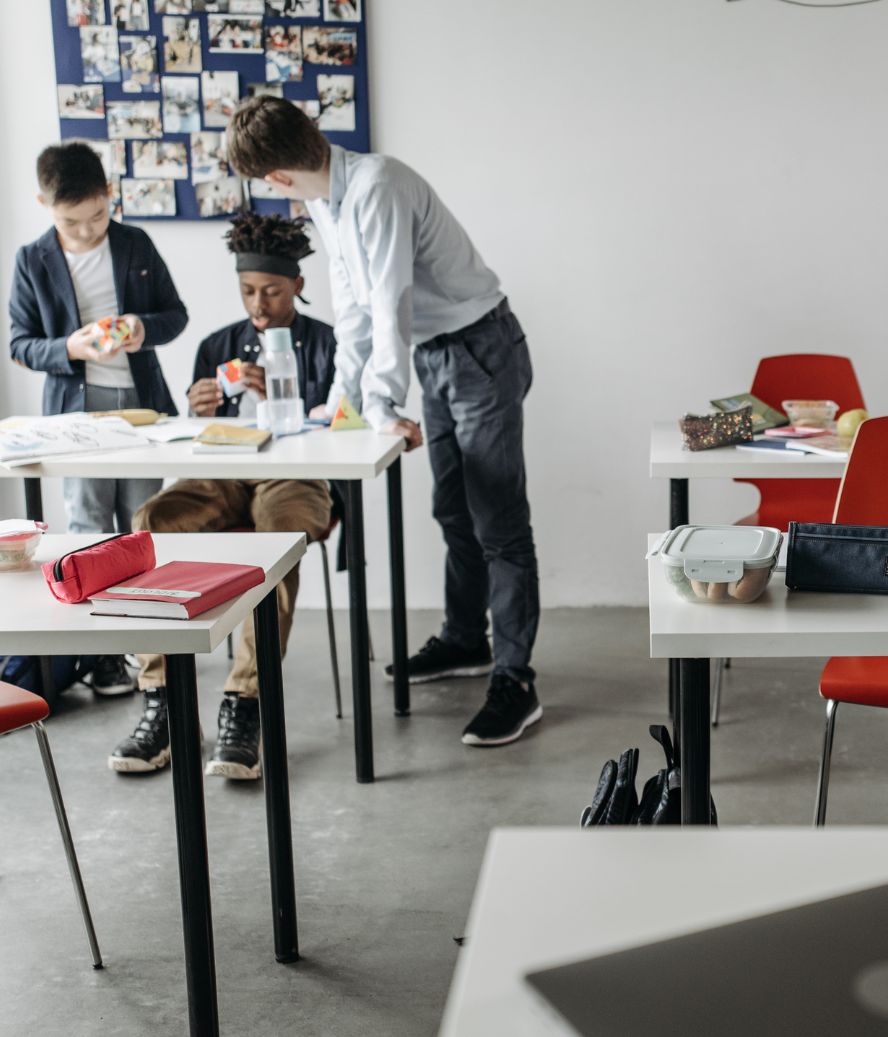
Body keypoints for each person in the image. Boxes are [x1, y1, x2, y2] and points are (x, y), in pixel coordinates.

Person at [224, 96, 542, 748]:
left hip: (479, 347)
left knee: (498, 522)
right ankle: (464, 640)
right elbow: (354, 311)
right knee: (453, 509)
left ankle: (517, 680)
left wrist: (380, 403)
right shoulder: (325, 199)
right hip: (435, 353)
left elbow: (389, 298)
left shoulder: (378, 186)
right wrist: (342, 402)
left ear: (275, 178)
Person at [109, 213, 337, 778]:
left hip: (297, 474)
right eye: (248, 291)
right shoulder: (217, 344)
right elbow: (191, 439)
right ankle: (161, 698)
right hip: (223, 469)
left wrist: (289, 395)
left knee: (278, 543)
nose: (259, 304)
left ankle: (246, 703)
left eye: (272, 292)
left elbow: (344, 424)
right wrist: (199, 408)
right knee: (153, 520)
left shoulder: (329, 343)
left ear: (298, 287)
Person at [9, 141, 187, 696]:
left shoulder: (135, 242)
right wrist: (70, 347)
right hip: (73, 415)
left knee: (140, 526)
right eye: (72, 220)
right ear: (43, 202)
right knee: (87, 531)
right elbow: (20, 343)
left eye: (97, 216)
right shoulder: (31, 258)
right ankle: (102, 655)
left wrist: (140, 327)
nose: (87, 231)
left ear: (110, 194)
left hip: (140, 410)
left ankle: (146, 650)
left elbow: (175, 315)